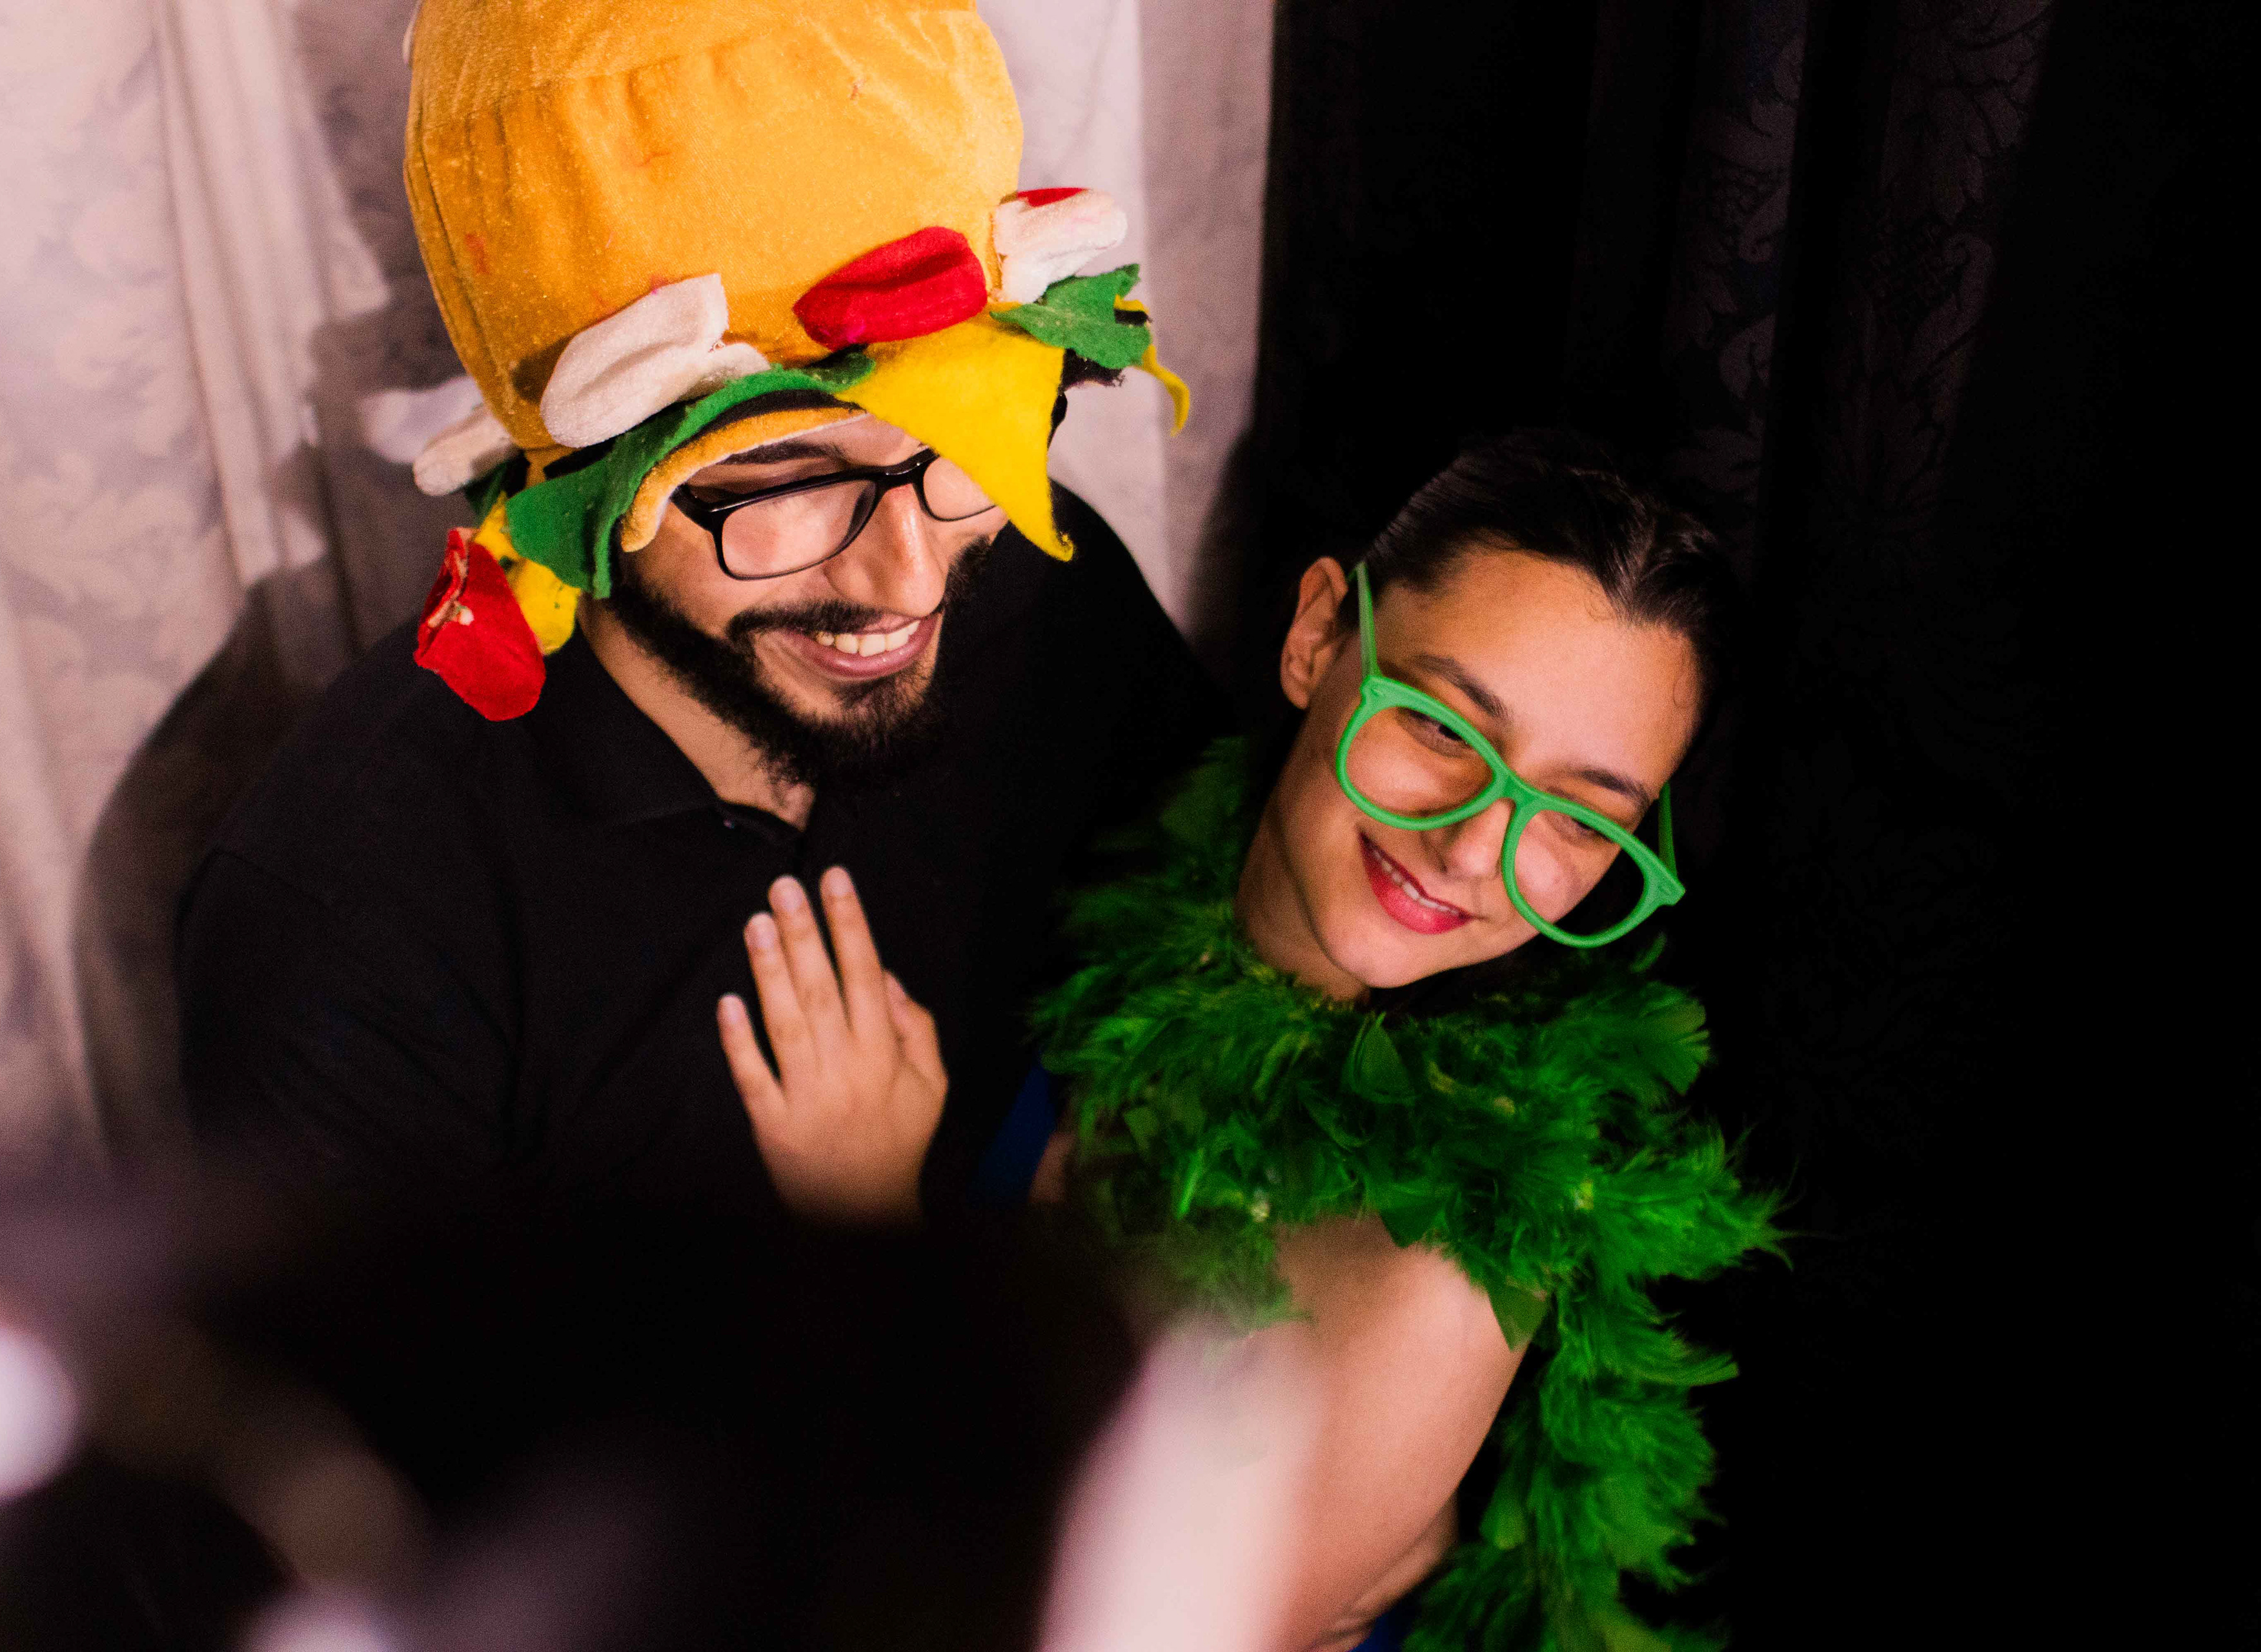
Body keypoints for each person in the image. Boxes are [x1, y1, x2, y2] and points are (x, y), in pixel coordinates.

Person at [718, 429, 1779, 1651]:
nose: (1471, 848)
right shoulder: (1113, 828)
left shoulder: (1438, 1276)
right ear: (1317, 635)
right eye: (1443, 729)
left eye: (1582, 819)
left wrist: (866, 1220)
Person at [176, 0, 1220, 1222]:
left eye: (957, 444)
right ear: (593, 481)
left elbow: (1222, 949)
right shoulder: (345, 931)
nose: (913, 581)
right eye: (790, 483)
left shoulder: (1048, 590)